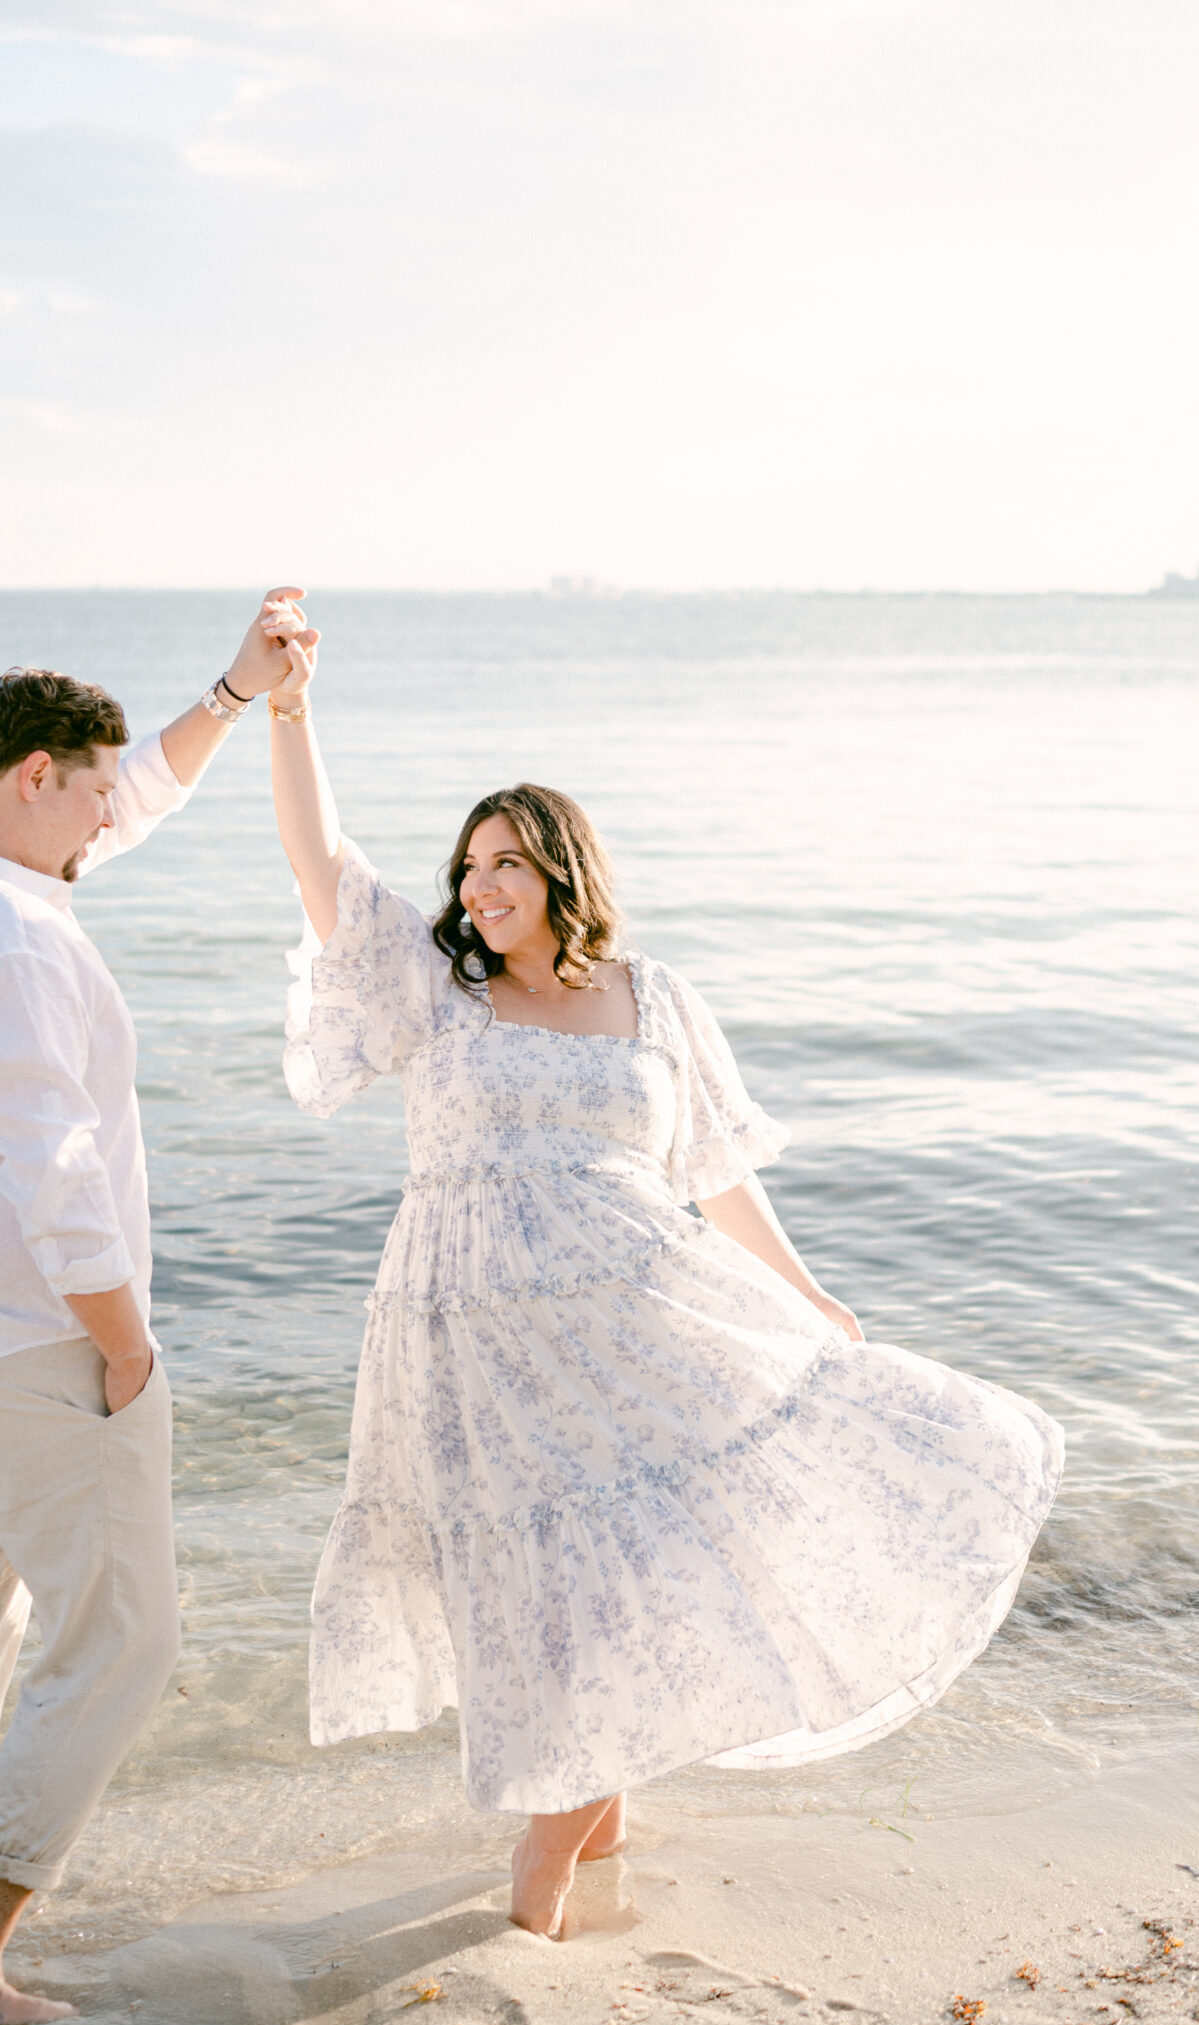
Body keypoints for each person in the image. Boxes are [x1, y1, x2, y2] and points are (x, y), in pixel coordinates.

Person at [262, 614, 1064, 1942]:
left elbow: (716, 1171)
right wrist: (290, 713)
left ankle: (550, 1863)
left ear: (565, 873)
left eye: (508, 863)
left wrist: (806, 1296)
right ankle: (595, 1816)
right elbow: (320, 863)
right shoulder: (436, 995)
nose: (480, 889)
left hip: (648, 1323)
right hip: (482, 1349)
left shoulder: (653, 999)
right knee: (543, 1587)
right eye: (469, 868)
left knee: (626, 1571)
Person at [0, 588, 307, 2025]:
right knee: (123, 1644)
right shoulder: (20, 943)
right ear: (37, 774)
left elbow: (140, 800)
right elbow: (56, 1175)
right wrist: (128, 1346)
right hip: (40, 1347)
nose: (112, 823)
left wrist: (231, 697)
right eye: (94, 791)